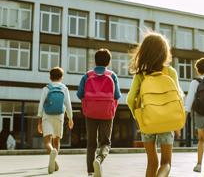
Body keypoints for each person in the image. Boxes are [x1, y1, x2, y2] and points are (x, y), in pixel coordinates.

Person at [127, 32, 184, 177]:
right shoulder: (170, 72)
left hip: (148, 122)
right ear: (165, 52)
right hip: (168, 121)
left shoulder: (140, 75)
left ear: (144, 52)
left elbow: (130, 99)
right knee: (166, 163)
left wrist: (138, 117)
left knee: (151, 162)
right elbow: (179, 96)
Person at [77, 48, 121, 177]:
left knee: (91, 142)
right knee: (106, 142)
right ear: (108, 62)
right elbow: (117, 95)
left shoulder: (87, 76)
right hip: (107, 112)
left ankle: (90, 171)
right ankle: (99, 159)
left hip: (90, 112)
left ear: (95, 61)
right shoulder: (112, 75)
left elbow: (80, 94)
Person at [37, 67, 74, 174]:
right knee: (57, 141)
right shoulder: (64, 88)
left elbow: (41, 105)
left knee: (47, 141)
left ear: (50, 77)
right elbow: (68, 104)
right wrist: (70, 118)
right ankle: (55, 159)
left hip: (47, 116)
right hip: (59, 117)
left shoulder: (46, 88)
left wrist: (39, 121)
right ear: (61, 77)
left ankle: (52, 153)